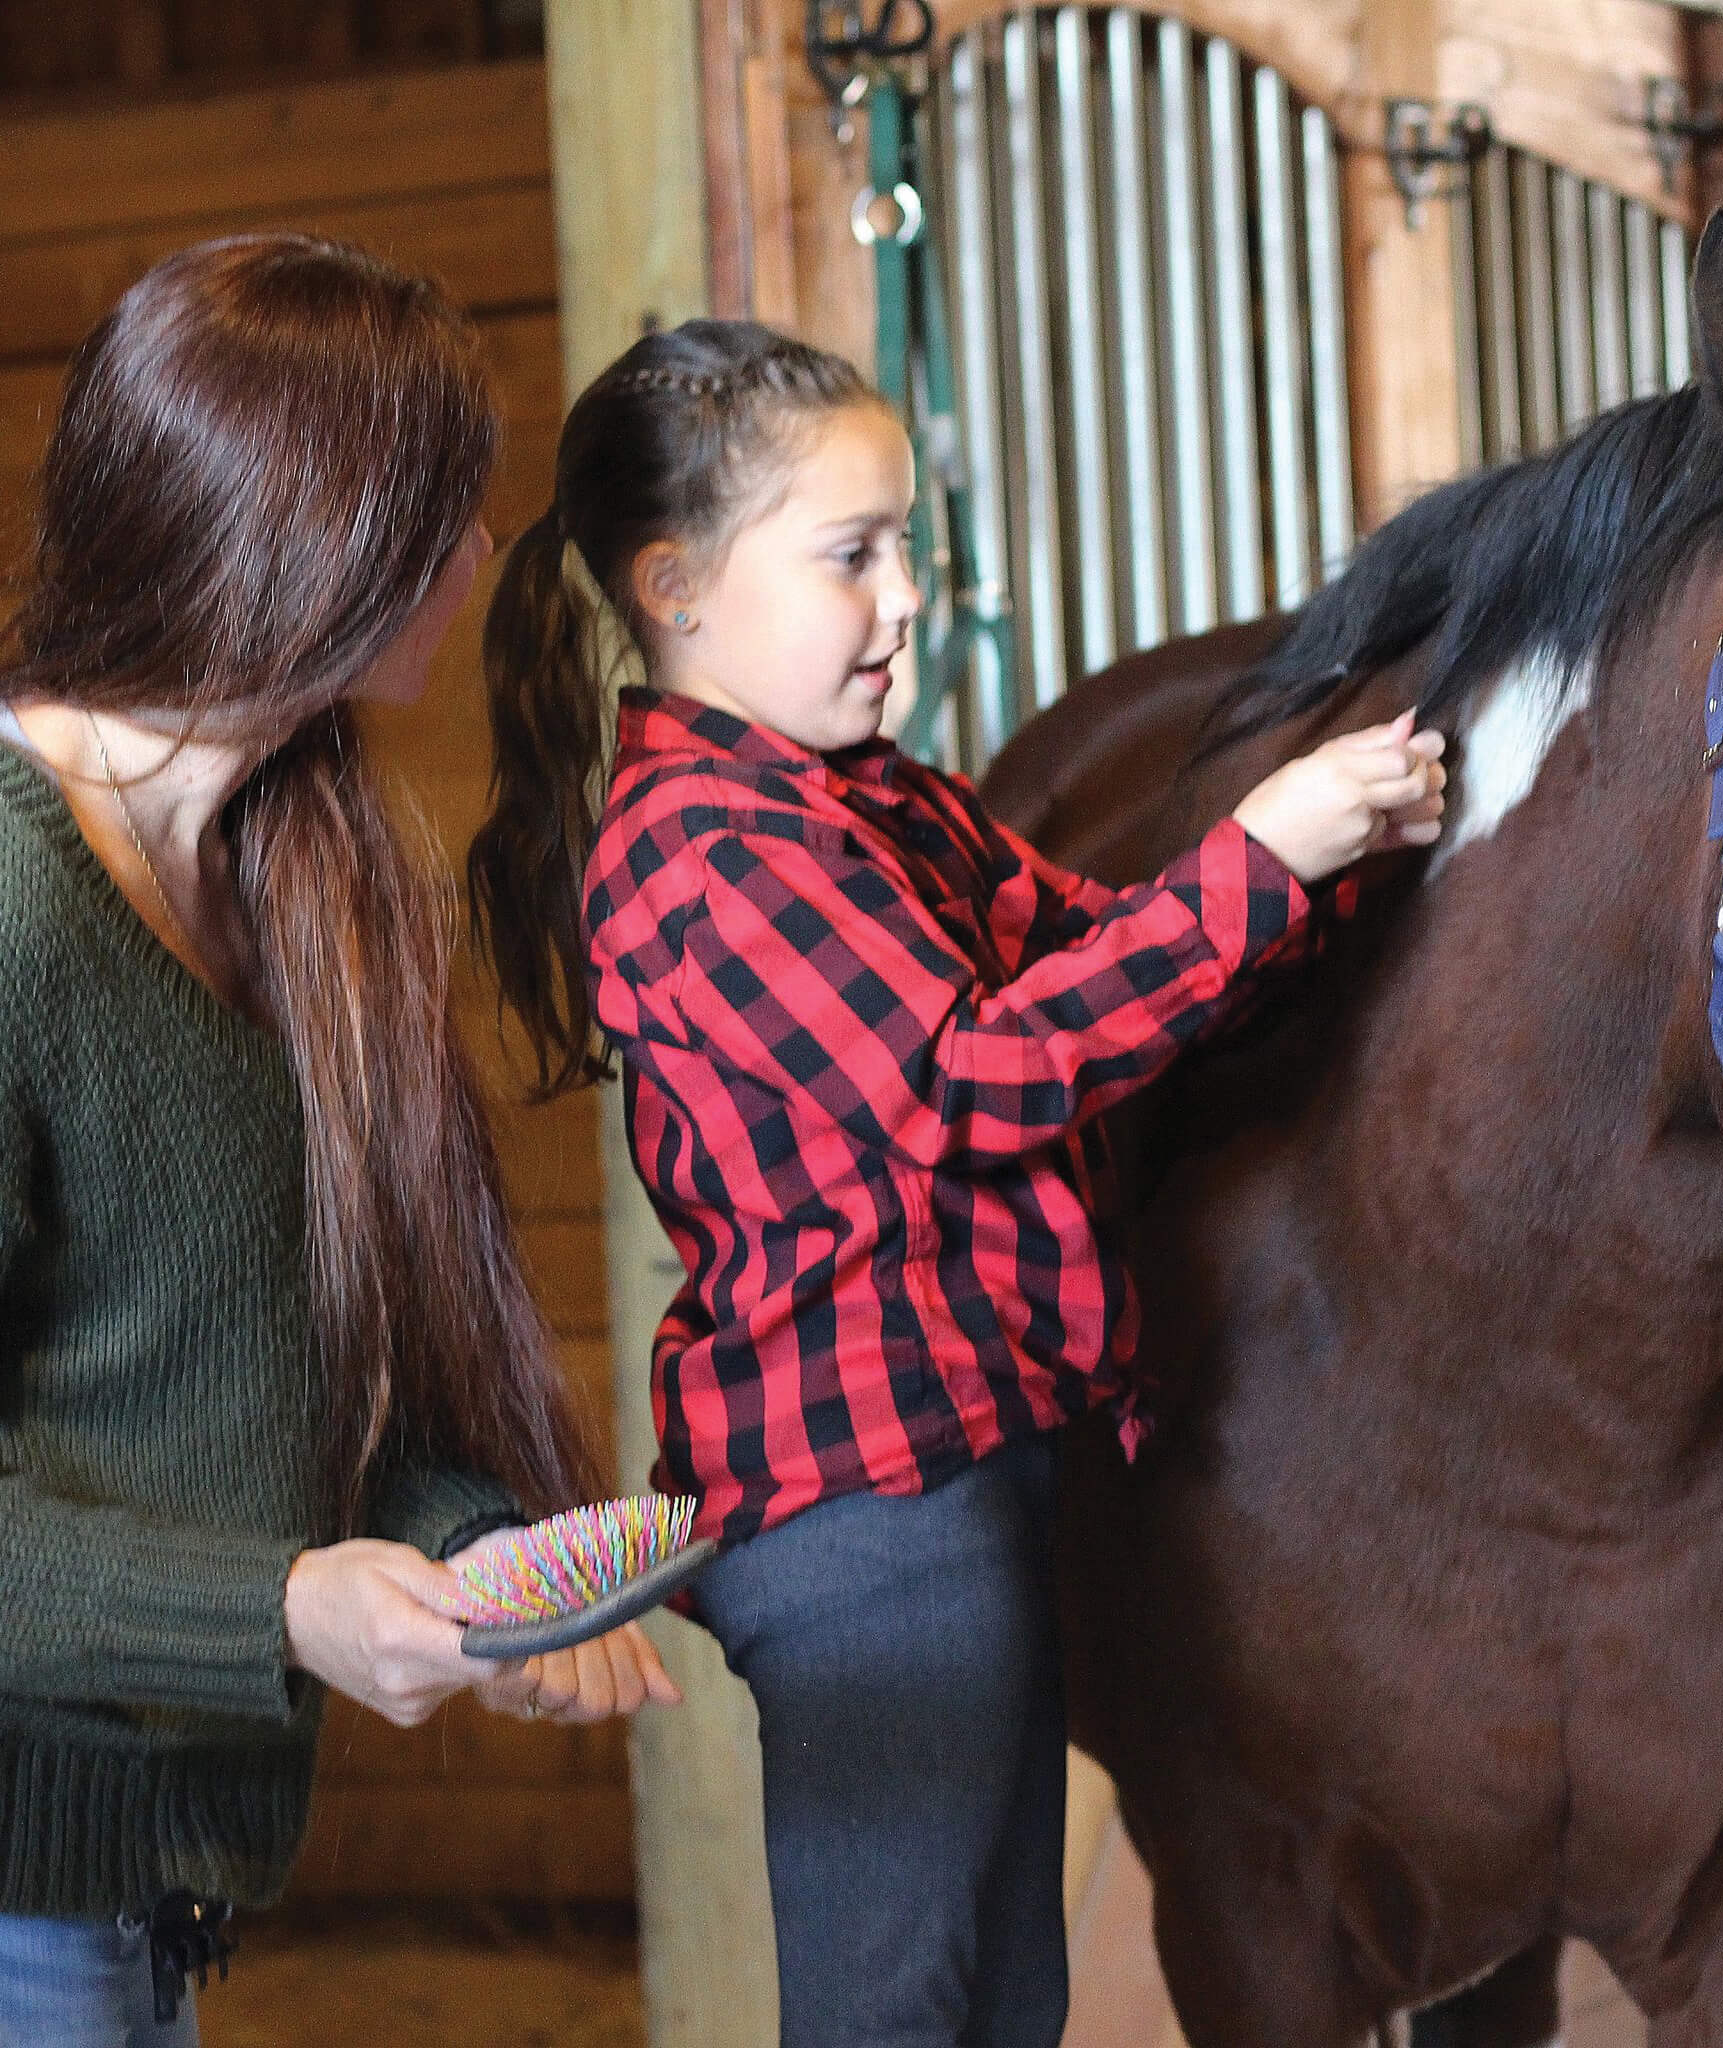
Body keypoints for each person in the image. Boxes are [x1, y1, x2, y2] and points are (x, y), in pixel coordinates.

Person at [468, 317, 1444, 2046]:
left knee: (1000, 2004)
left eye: (904, 543)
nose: (905, 594)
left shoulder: (869, 803)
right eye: (851, 555)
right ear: (677, 586)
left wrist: (1334, 874)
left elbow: (1104, 956)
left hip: (962, 1485)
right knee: (896, 2016)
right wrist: (1262, 853)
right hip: (862, 1521)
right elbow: (971, 1078)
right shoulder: (701, 854)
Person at [0, 235, 678, 2048]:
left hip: (148, 1888)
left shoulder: (302, 863)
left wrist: (474, 1565)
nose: (475, 561)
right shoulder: (9, 898)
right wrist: (284, 1609)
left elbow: (304, 1376)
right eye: (439, 520)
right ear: (299, 539)